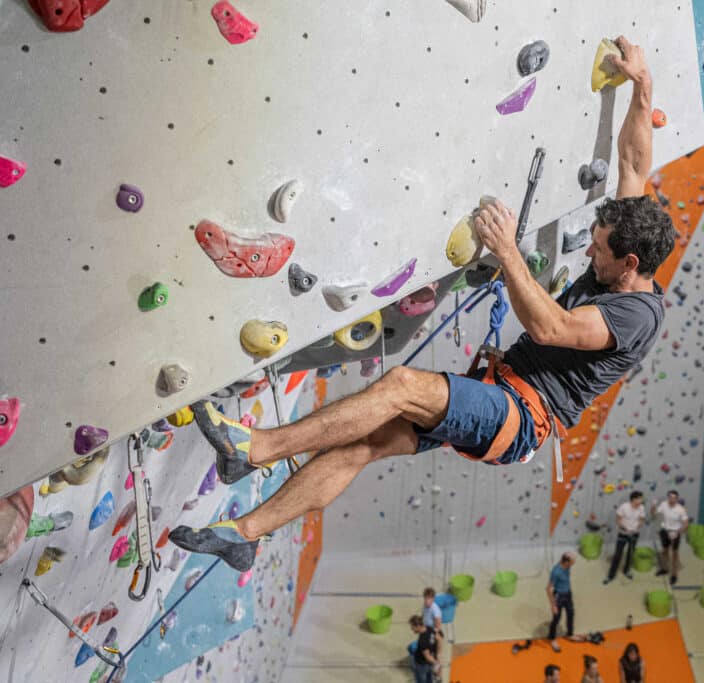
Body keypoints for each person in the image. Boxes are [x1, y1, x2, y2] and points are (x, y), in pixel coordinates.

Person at [167, 36, 676, 575]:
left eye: (599, 251)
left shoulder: (635, 316)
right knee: (361, 447)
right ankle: (243, 536)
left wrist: (507, 251)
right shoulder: (630, 245)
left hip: (521, 416)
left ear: (631, 263)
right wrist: (643, 88)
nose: (591, 253)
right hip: (499, 392)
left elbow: (551, 327)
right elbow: (632, 161)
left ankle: (256, 448)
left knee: (401, 386)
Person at [604, 491, 646, 584]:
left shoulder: (641, 508)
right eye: (640, 498)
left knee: (630, 553)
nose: (641, 500)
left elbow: (642, 520)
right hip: (623, 533)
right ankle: (611, 575)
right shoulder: (624, 507)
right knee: (617, 554)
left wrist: (637, 527)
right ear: (634, 499)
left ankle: (626, 571)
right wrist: (625, 528)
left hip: (634, 534)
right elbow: (618, 520)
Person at [652, 490, 688, 585]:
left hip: (675, 532)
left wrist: (677, 532)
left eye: (674, 498)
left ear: (677, 499)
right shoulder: (664, 504)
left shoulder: (681, 509)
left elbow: (685, 524)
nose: (672, 499)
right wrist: (653, 505)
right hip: (664, 530)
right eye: (670, 497)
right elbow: (653, 514)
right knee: (664, 551)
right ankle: (665, 569)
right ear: (668, 497)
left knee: (675, 554)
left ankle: (674, 575)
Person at [547, 552, 576, 652]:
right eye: (572, 562)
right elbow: (548, 588)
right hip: (559, 596)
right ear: (566, 562)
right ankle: (552, 638)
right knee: (556, 619)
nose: (574, 563)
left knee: (571, 614)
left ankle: (570, 634)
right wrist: (553, 605)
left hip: (568, 594)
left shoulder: (567, 566)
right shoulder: (556, 572)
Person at [409, 614, 441, 683]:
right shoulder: (429, 628)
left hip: (421, 664)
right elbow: (439, 639)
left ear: (418, 626)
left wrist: (436, 663)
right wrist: (437, 656)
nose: (411, 629)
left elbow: (427, 657)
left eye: (413, 627)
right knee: (429, 678)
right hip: (431, 661)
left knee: (421, 680)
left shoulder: (422, 641)